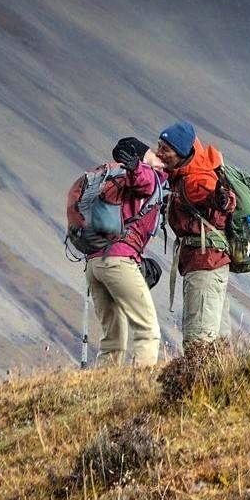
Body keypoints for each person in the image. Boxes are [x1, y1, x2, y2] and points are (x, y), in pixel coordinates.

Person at [84, 137, 165, 366]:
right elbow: (145, 181)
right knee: (147, 329)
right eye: (153, 154)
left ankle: (103, 392)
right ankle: (139, 390)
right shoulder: (147, 174)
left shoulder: (108, 179)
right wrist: (139, 166)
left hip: (93, 263)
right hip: (118, 260)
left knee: (112, 339)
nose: (159, 159)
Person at [155, 120, 236, 347]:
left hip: (205, 265)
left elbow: (224, 201)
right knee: (218, 344)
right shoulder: (183, 175)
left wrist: (220, 199)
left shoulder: (197, 180)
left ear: (181, 152)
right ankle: (223, 380)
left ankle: (199, 382)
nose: (159, 153)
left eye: (165, 149)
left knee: (198, 342)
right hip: (208, 264)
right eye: (159, 145)